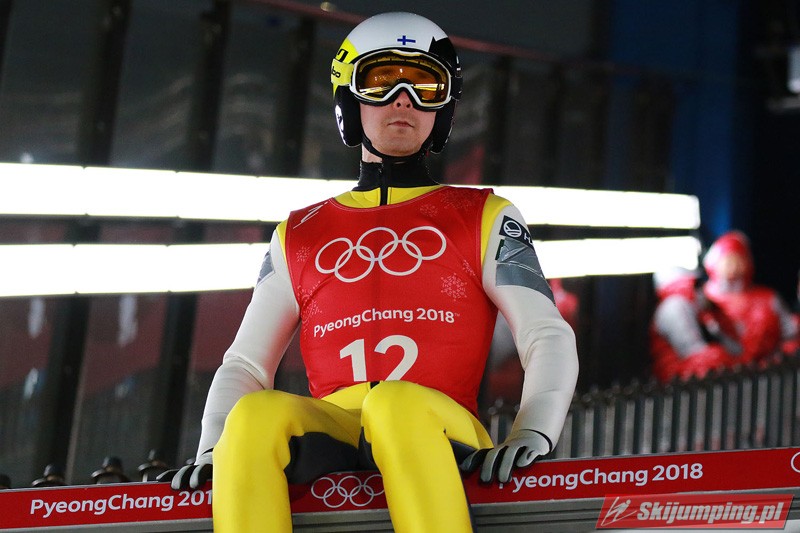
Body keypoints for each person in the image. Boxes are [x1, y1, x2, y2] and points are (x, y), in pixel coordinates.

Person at [164, 12, 578, 533]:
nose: (404, 99)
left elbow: (545, 332)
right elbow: (245, 364)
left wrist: (533, 431)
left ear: (444, 110)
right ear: (347, 100)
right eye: (382, 80)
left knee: (393, 403)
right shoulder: (299, 233)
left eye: (425, 84)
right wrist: (212, 451)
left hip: (439, 421)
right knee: (251, 418)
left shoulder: (484, 215)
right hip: (336, 424)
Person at [701, 230, 799, 366]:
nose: (734, 266)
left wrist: (782, 356)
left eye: (739, 259)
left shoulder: (768, 298)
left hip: (768, 368)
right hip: (722, 370)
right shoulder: (704, 298)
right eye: (728, 261)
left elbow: (791, 332)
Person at [648, 266, 741, 382]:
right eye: (696, 285)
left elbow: (737, 351)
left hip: (688, 380)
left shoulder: (698, 311)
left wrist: (716, 315)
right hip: (676, 383)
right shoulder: (674, 306)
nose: (702, 290)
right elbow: (695, 354)